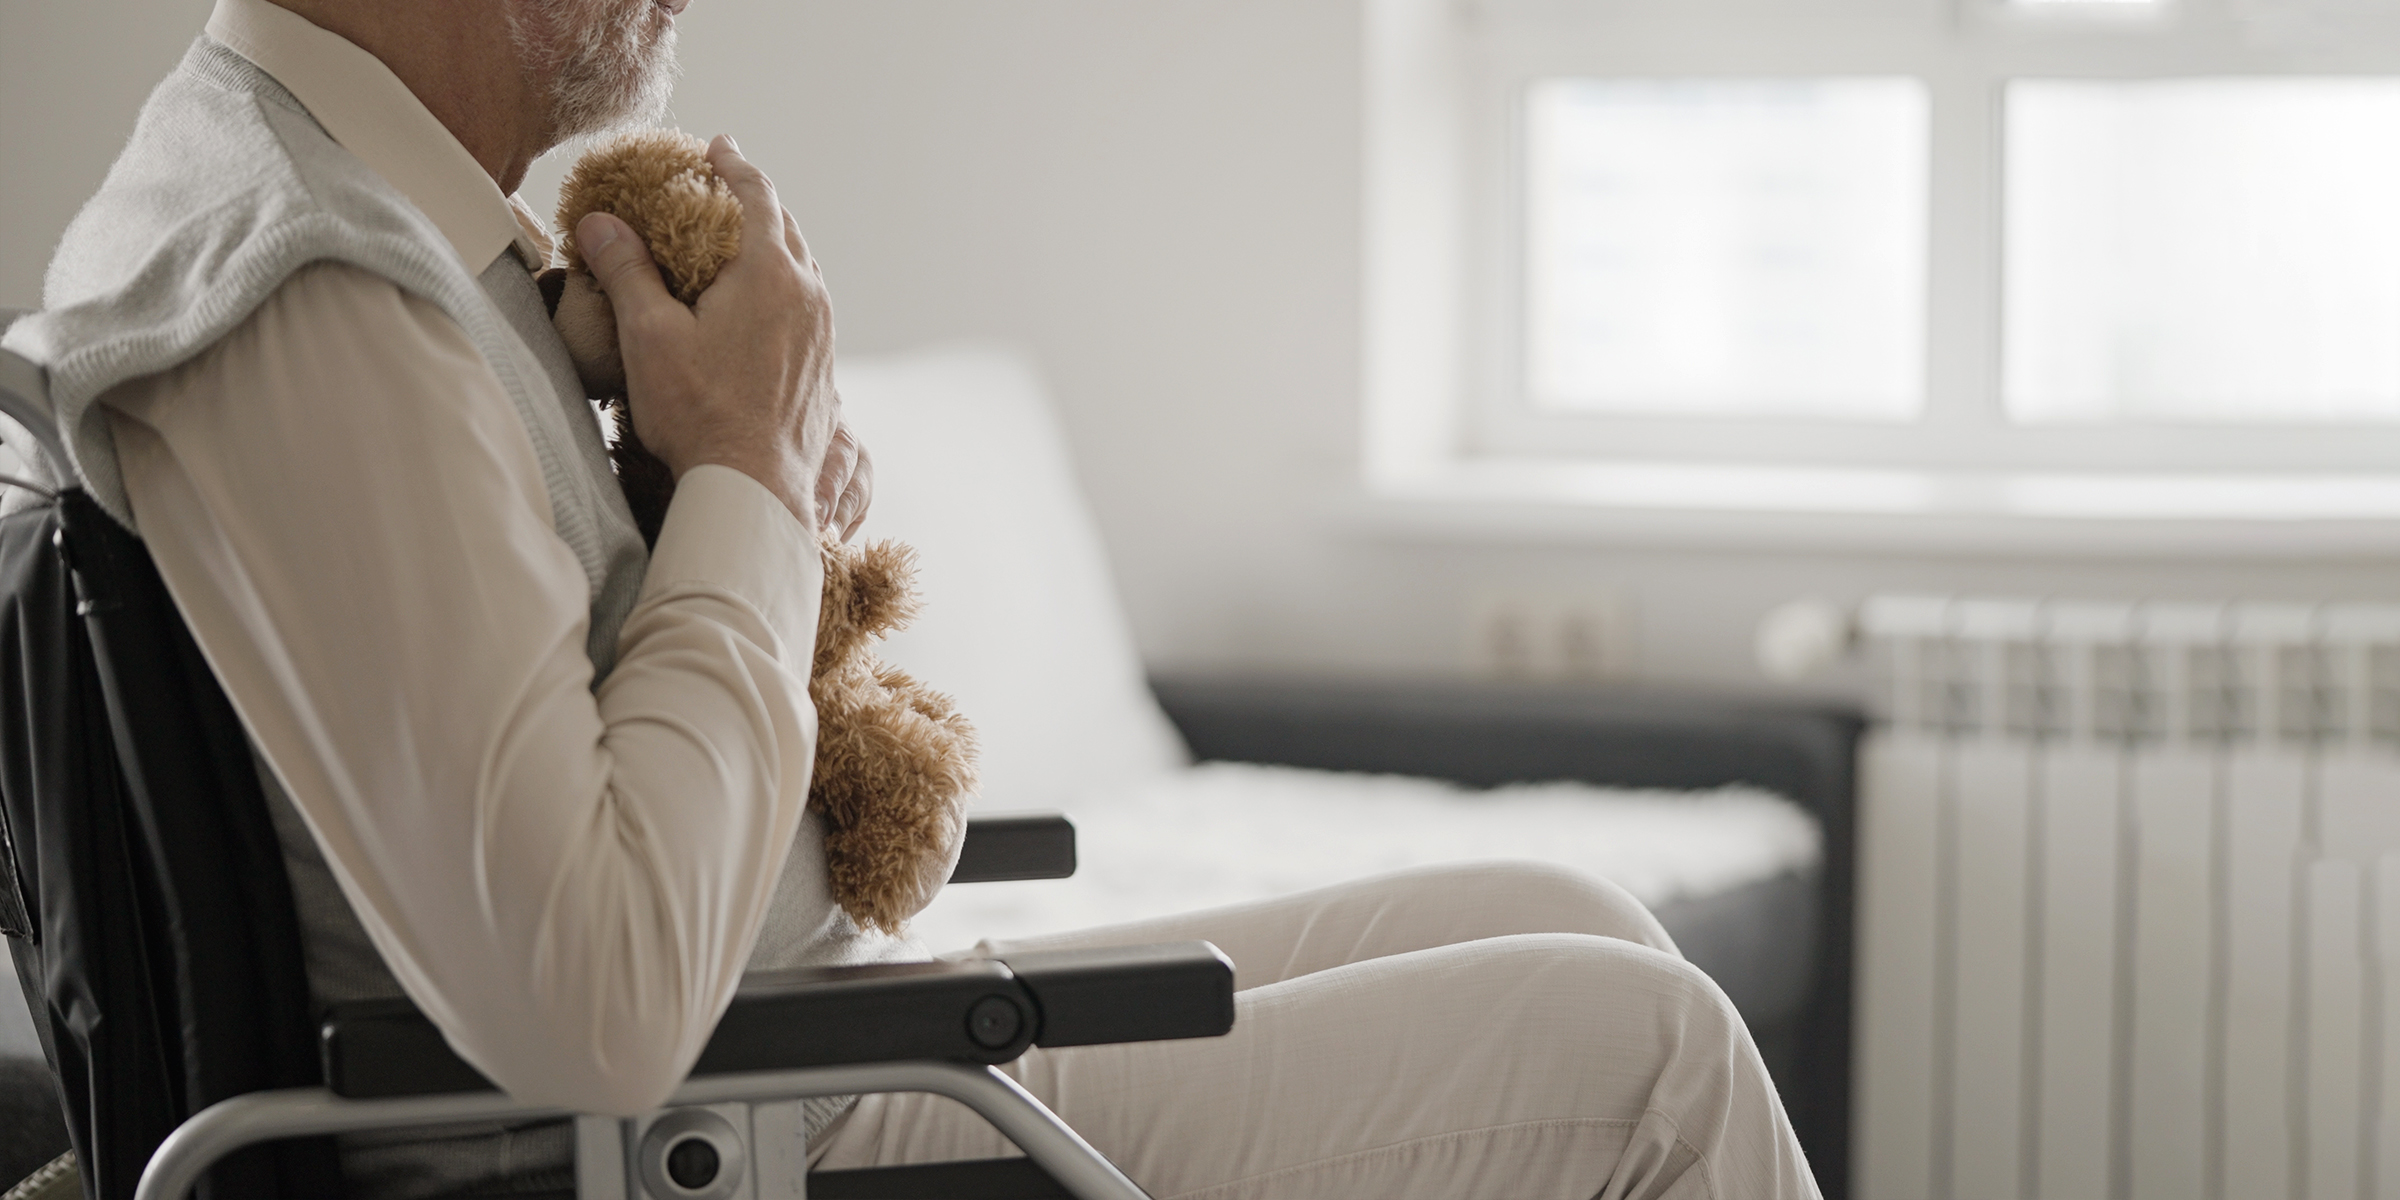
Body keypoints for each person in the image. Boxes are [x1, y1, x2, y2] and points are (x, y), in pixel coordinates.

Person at [1, 0, 1819, 1196]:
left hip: (769, 1033)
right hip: (694, 1118)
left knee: (1564, 907)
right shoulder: (321, 293)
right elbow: (592, 1000)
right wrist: (751, 484)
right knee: (1646, 1059)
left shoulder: (365, 228)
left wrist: (711, 507)